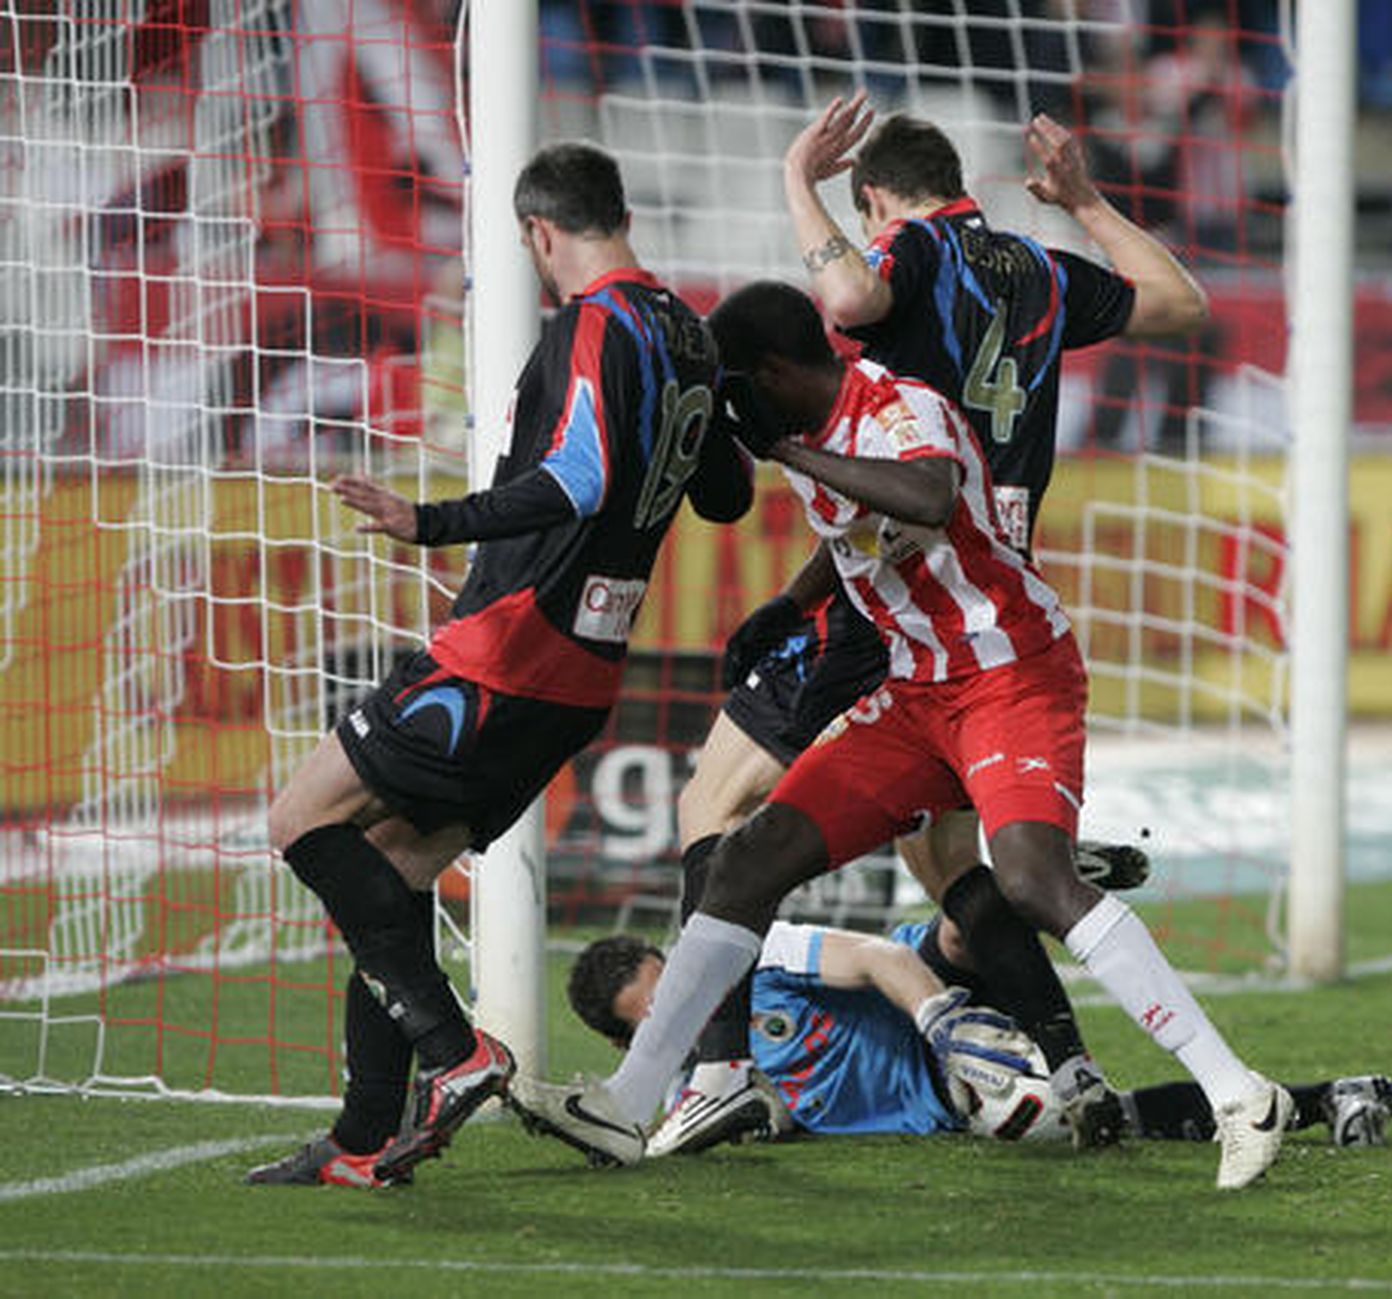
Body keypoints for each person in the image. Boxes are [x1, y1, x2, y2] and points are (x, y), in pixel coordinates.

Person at [517, 280, 1291, 1191]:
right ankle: (627, 1101)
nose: (736, 408)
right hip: (916, 692)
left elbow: (926, 495)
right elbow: (860, 534)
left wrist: (785, 450)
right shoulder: (817, 436)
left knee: (1032, 877)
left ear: (772, 373)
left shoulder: (897, 405)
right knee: (743, 860)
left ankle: (1241, 1094)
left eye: (741, 388)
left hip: (1010, 672)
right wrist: (791, 603)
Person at [659, 95, 1206, 1156]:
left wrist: (793, 181)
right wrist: (1087, 201)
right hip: (989, 579)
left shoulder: (904, 246)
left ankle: (714, 1073)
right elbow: (1176, 304)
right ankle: (1071, 1064)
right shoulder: (1034, 266)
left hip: (903, 565)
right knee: (951, 854)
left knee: (712, 804)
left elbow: (852, 294)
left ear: (875, 197)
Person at [245, 141, 753, 1189]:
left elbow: (575, 476)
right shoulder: (687, 333)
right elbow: (726, 497)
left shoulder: (595, 324)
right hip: (584, 674)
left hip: (505, 646)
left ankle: (457, 1051)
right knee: (388, 878)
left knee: (297, 819)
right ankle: (359, 1141)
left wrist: (429, 521)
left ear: (537, 233)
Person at [567, 913, 1392, 1147]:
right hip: (945, 1100)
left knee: (965, 925)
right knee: (1102, 1123)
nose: (685, 1013)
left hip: (936, 1012)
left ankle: (1043, 882)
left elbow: (872, 959)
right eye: (656, 1020)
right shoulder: (692, 1097)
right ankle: (1333, 1098)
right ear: (625, 1045)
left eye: (677, 988)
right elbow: (770, 1118)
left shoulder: (757, 951)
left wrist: (946, 1022)